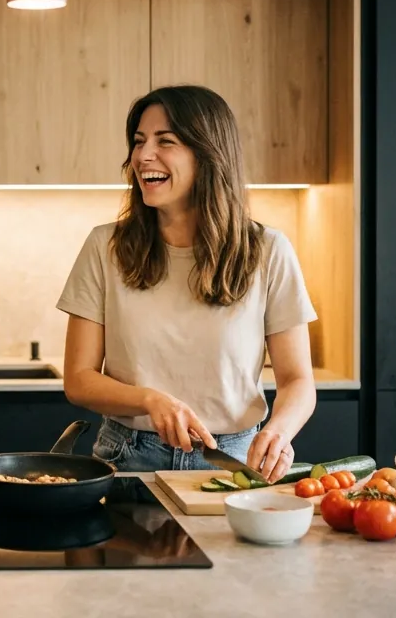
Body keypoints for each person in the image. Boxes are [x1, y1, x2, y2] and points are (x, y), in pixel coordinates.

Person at [56, 84, 318, 483]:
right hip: (127, 459)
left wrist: (278, 432)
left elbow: (298, 380)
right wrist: (150, 399)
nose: (142, 156)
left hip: (234, 462)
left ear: (208, 154)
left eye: (166, 141)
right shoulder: (104, 247)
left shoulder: (267, 251)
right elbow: (78, 379)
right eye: (139, 141)